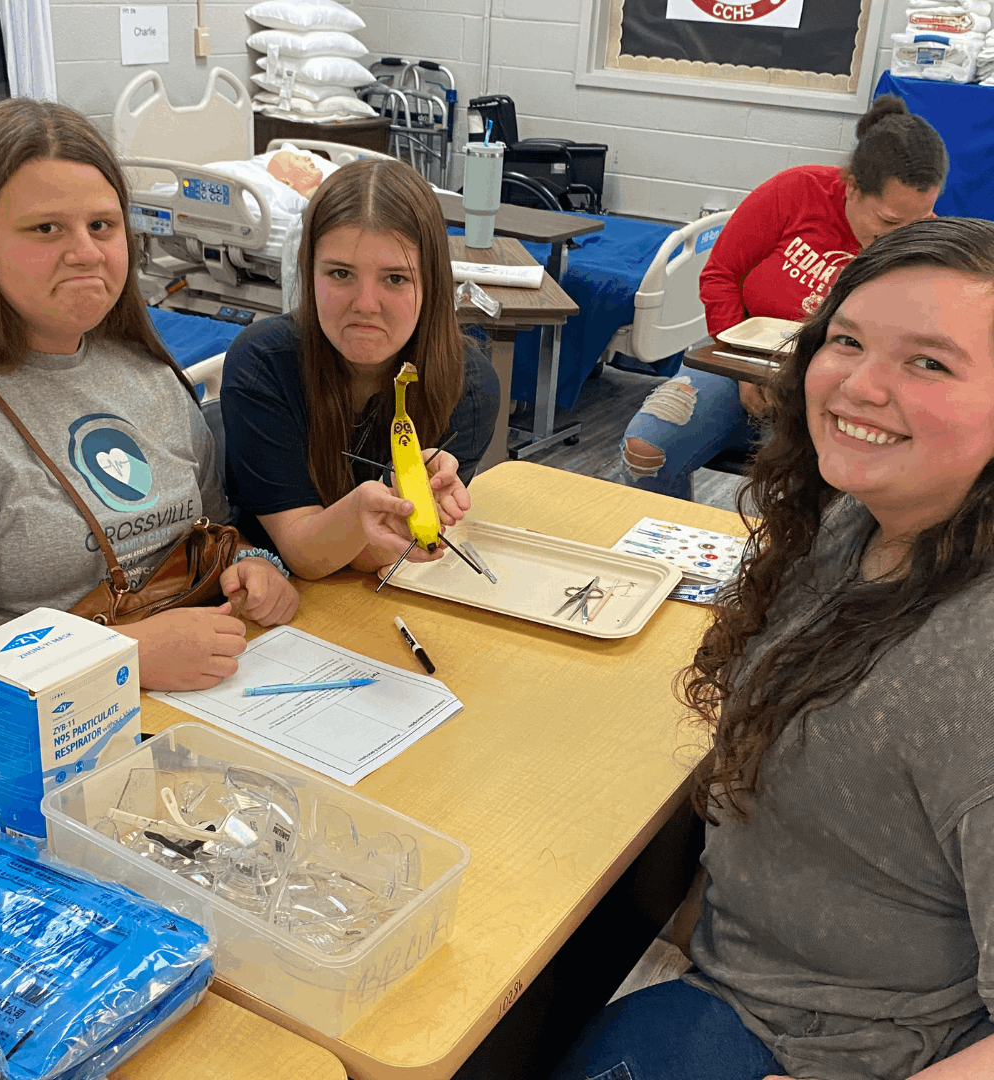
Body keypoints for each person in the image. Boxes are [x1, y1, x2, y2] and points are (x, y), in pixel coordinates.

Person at [553, 216, 994, 1080]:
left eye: (929, 362)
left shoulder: (978, 672)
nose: (860, 385)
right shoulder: (857, 522)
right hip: (745, 969)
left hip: (834, 1047)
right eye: (849, 340)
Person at [0, 98, 300, 766]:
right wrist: (125, 660)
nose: (85, 252)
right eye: (45, 229)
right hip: (10, 757)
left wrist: (253, 570)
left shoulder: (146, 373)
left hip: (174, 709)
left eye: (101, 224)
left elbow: (202, 542)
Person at [620, 94, 948, 500]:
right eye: (890, 221)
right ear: (851, 187)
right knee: (645, 450)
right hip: (745, 362)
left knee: (810, 496)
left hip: (841, 385)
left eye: (924, 218)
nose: (906, 235)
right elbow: (721, 276)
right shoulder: (795, 191)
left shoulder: (925, 246)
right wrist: (742, 371)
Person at [221, 157, 501, 580]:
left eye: (395, 279)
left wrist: (404, 516)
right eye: (340, 273)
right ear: (309, 272)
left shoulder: (469, 386)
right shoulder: (262, 366)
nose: (365, 304)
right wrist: (362, 514)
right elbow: (304, 556)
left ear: (432, 283)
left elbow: (369, 559)